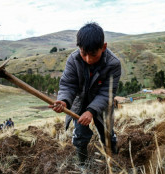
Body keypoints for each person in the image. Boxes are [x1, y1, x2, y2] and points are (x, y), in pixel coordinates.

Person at [49, 22, 121, 166]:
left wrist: (92, 111)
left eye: (93, 54)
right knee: (80, 135)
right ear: (79, 49)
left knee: (107, 132)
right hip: (80, 103)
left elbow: (107, 93)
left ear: (104, 47)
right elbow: (68, 84)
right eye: (84, 53)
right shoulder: (74, 59)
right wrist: (64, 101)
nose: (88, 59)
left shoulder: (113, 64)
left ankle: (113, 158)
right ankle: (82, 164)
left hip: (102, 104)